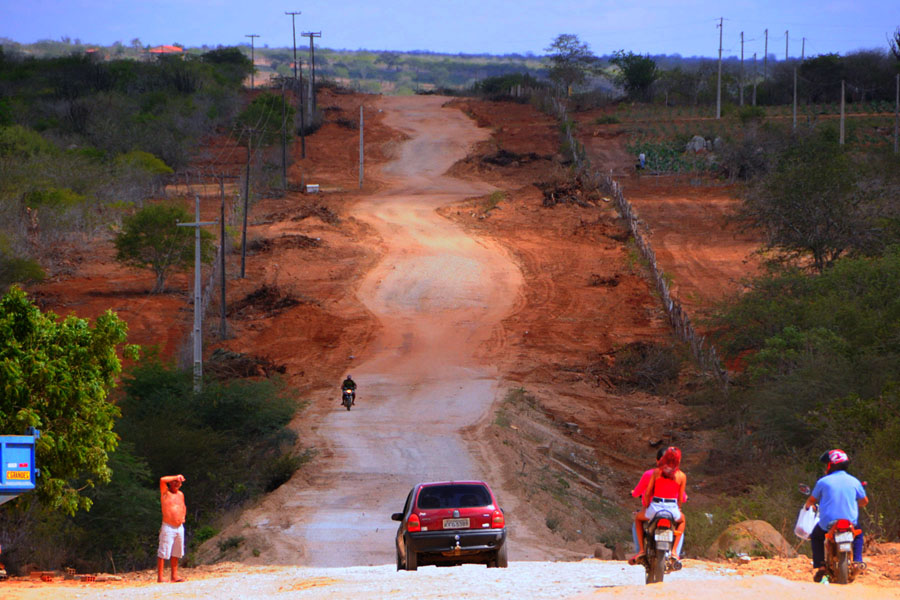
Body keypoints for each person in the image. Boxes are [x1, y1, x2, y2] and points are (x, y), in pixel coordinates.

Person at [804, 449, 868, 582]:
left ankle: (821, 567)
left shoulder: (823, 481)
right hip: (850, 522)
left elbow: (811, 500)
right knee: (859, 535)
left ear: (830, 465)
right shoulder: (854, 481)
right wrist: (856, 504)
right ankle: (857, 561)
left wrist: (807, 507)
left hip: (828, 523)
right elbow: (864, 501)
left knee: (816, 536)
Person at [631, 446, 687, 564]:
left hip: (655, 507)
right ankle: (675, 552)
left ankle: (641, 550)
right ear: (678, 460)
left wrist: (646, 505)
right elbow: (680, 498)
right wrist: (679, 509)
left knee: (637, 519)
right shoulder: (682, 476)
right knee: (682, 521)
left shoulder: (656, 473)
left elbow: (647, 493)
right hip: (672, 508)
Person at [158, 474, 187, 583]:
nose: (176, 484)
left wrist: (183, 516)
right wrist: (176, 477)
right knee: (163, 551)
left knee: (176, 551)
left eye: (178, 482)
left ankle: (174, 576)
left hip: (179, 527)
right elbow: (162, 479)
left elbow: (183, 506)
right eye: (174, 482)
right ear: (170, 483)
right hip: (168, 526)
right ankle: (160, 577)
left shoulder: (181, 494)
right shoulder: (165, 493)